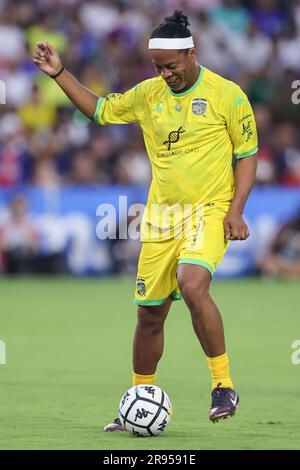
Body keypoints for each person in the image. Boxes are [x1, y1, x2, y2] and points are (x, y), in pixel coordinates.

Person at [33, 10, 258, 429]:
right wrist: (59, 73)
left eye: (171, 66)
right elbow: (99, 110)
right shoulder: (147, 94)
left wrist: (236, 210)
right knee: (149, 315)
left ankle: (223, 385)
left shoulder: (228, 95)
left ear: (193, 53)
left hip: (209, 210)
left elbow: (246, 155)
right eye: (157, 67)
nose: (164, 74)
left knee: (193, 286)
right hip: (160, 219)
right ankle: (138, 398)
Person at [260, 212, 300, 279]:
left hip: (295, 265)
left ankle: (286, 275)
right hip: (279, 262)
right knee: (267, 264)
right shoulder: (287, 228)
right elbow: (271, 249)